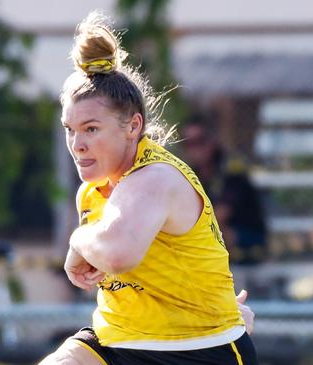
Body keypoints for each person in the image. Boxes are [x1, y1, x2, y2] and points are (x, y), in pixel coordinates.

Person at [39, 12, 258, 365]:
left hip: (197, 350)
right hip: (117, 341)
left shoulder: (155, 177)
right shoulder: (92, 192)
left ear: (133, 126)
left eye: (91, 129)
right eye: (70, 129)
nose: (77, 144)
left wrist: (77, 241)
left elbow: (118, 253)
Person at [181, 120, 268, 265]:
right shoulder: (191, 172)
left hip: (248, 237)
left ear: (212, 140)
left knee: (214, 232)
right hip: (217, 236)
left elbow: (219, 215)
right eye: (188, 143)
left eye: (200, 141)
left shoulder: (232, 169)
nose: (195, 149)